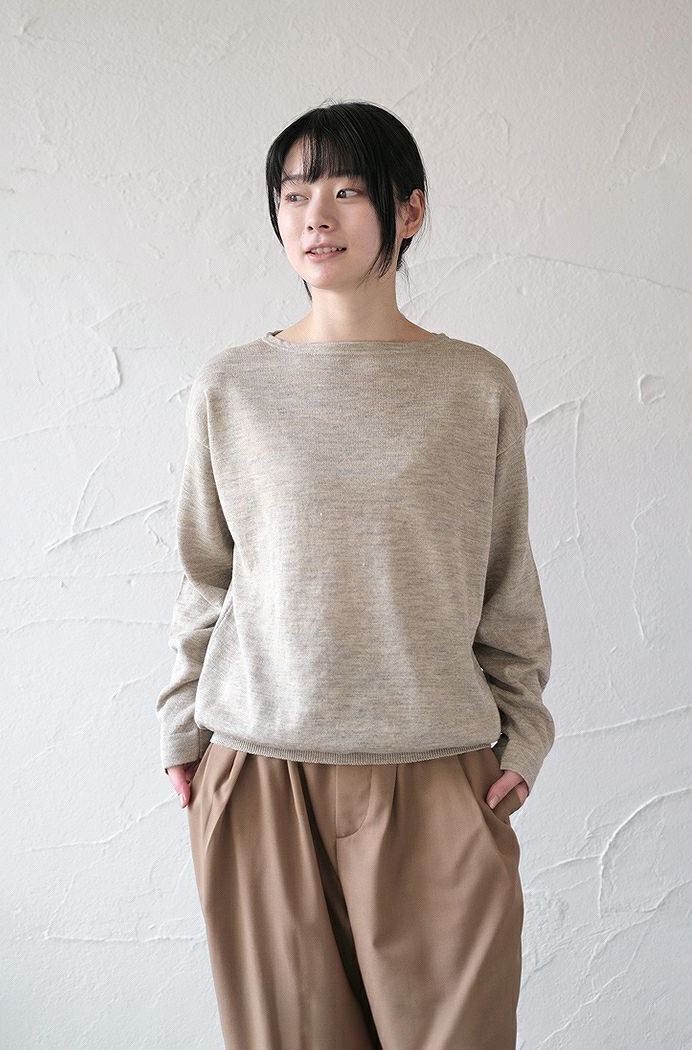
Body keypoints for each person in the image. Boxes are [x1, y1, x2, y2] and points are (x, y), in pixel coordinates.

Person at [156, 98, 555, 1049]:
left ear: (408, 210)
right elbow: (206, 573)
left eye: (345, 191)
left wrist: (524, 736)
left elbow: (506, 576)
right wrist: (181, 726)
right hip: (260, 773)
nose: (315, 217)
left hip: (438, 775)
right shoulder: (231, 386)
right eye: (295, 195)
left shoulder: (474, 385)